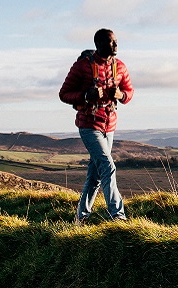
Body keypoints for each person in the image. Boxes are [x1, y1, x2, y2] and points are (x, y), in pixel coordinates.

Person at [59, 28, 134, 222]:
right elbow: (64, 94)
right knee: (108, 167)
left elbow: (129, 92)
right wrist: (85, 96)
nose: (116, 45)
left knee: (95, 176)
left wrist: (121, 95)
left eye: (116, 41)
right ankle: (118, 215)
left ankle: (81, 217)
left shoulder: (121, 67)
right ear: (99, 44)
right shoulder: (81, 67)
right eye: (111, 42)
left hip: (110, 126)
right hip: (89, 125)